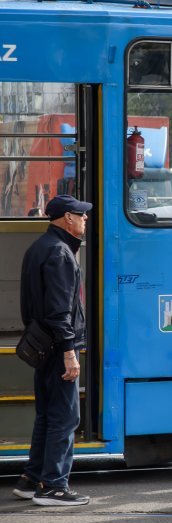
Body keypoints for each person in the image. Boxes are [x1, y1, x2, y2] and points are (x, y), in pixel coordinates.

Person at [14, 195, 91, 506]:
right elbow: (59, 311)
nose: (85, 220)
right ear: (67, 219)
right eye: (81, 216)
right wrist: (69, 351)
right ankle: (54, 486)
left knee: (47, 414)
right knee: (65, 416)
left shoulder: (39, 248)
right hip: (58, 348)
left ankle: (32, 478)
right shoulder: (60, 253)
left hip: (42, 345)